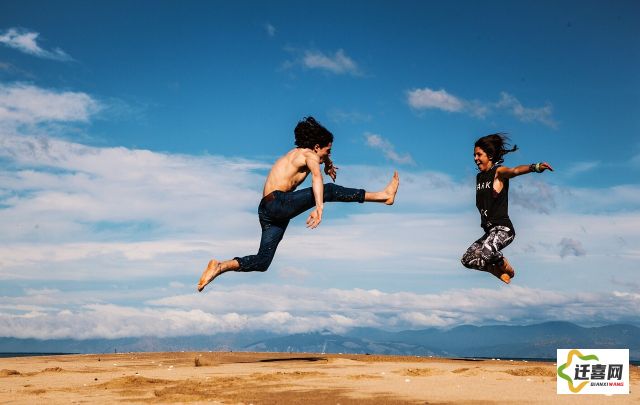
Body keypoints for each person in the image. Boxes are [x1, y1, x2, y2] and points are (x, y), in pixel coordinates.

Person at [198, 116, 400, 292]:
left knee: (262, 262)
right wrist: (319, 208)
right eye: (327, 150)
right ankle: (384, 196)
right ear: (316, 147)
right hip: (279, 203)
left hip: (268, 210)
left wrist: (328, 162)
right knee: (328, 190)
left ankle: (220, 267)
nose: (326, 155)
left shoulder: (300, 153)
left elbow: (322, 157)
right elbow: (316, 178)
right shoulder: (309, 156)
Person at [460, 133, 553, 284]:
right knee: (467, 259)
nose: (475, 158)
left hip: (504, 230)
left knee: (484, 254)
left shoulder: (498, 172)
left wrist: (534, 167)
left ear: (489, 155)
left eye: (479, 154)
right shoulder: (479, 178)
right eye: (474, 155)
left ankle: (500, 261)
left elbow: (514, 171)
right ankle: (496, 269)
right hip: (490, 232)